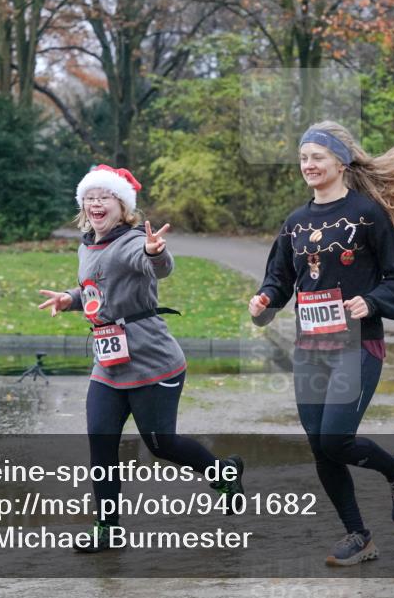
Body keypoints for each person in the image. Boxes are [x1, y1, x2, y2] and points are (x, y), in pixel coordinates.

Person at [248, 121, 394, 566]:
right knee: (321, 444)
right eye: (302, 158)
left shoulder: (367, 214)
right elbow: (279, 279)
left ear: (340, 160)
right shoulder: (295, 223)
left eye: (317, 156)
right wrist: (265, 300)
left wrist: (370, 303)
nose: (308, 165)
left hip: (358, 344)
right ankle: (358, 536)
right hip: (311, 348)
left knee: (335, 439)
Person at [38, 164, 244, 551]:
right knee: (101, 445)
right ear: (83, 204)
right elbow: (100, 289)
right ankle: (108, 530)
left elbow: (155, 266)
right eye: (91, 197)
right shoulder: (87, 244)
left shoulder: (133, 241)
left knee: (161, 445)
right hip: (109, 365)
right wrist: (72, 298)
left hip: (152, 363)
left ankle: (223, 471)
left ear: (123, 206)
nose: (97, 203)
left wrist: (156, 253)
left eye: (106, 197)